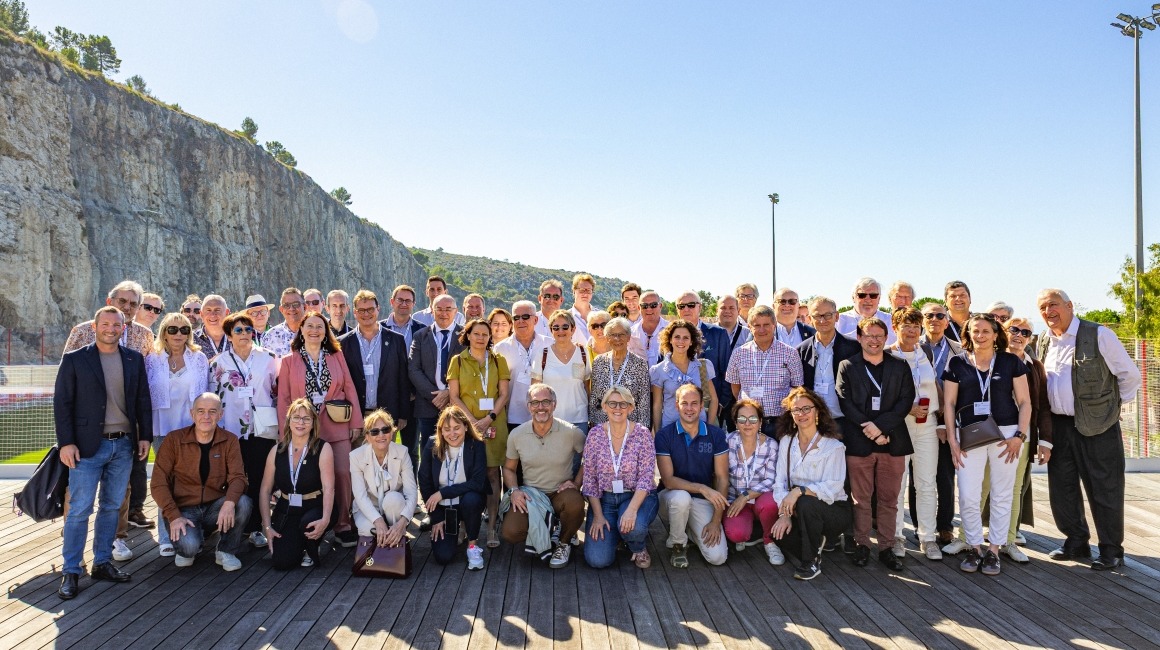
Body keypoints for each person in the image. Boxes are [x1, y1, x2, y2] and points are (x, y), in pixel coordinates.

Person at [1037, 289, 1140, 571]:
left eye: (1054, 305)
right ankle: (1076, 541)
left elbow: (1130, 376)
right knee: (1063, 487)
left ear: (1070, 306)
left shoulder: (1099, 335)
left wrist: (1110, 410)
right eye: (1043, 308)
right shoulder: (1045, 339)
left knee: (1104, 488)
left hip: (1098, 426)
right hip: (1059, 425)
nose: (1048, 312)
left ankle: (1110, 549)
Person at [54, 306, 153, 599]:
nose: (111, 328)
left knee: (111, 506)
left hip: (123, 445)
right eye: (106, 324)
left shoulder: (134, 359)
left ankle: (102, 562)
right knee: (80, 509)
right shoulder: (75, 359)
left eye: (116, 324)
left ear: (124, 328)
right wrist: (66, 443)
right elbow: (62, 404)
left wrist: (144, 435)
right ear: (95, 327)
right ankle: (71, 570)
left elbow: (142, 400)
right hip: (86, 447)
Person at [942, 314, 1031, 576]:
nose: (979, 335)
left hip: (1006, 434)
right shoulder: (957, 363)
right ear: (968, 334)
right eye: (974, 331)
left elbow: (1025, 402)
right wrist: (952, 440)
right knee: (968, 494)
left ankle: (993, 550)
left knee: (1002, 493)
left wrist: (1019, 436)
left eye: (985, 331)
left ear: (995, 334)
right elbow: (948, 404)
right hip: (968, 434)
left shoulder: (1010, 361)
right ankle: (974, 547)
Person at [970, 316, 1054, 564]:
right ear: (1002, 333)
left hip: (1022, 435)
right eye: (1014, 330)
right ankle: (967, 537)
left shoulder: (1035, 366)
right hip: (988, 432)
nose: (1019, 335)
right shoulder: (989, 361)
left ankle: (1007, 540)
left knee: (1013, 489)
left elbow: (1042, 406)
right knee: (981, 486)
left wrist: (1044, 440)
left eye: (1026, 332)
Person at [277, 310, 364, 547]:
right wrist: (285, 432)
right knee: (310, 478)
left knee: (343, 474)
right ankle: (314, 523)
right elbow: (284, 398)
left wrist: (356, 421)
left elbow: (349, 388)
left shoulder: (336, 356)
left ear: (326, 332)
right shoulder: (288, 361)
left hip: (336, 425)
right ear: (301, 331)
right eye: (310, 326)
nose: (315, 331)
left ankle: (343, 525)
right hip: (303, 429)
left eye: (320, 327)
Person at [836, 317, 914, 572]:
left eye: (879, 336)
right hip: (859, 442)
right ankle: (861, 545)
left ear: (886, 337)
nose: (874, 340)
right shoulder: (847, 366)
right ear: (859, 337)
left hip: (893, 441)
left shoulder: (900, 366)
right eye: (869, 335)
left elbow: (905, 401)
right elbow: (846, 403)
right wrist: (871, 429)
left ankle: (887, 548)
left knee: (890, 500)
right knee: (860, 499)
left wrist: (881, 427)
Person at [151, 393, 251, 572]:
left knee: (243, 502)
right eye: (201, 411)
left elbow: (238, 477)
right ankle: (191, 543)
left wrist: (229, 504)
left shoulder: (230, 440)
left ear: (220, 415)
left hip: (214, 507)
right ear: (192, 414)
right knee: (189, 549)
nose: (206, 416)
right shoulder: (174, 440)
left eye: (212, 411)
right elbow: (158, 483)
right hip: (184, 510)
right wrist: (173, 516)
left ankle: (226, 550)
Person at [211, 312, 280, 548]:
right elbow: (212, 397)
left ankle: (256, 527)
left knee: (261, 477)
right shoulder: (218, 363)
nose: (244, 334)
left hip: (262, 428)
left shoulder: (269, 358)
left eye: (248, 329)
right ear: (229, 335)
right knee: (236, 478)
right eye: (238, 330)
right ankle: (234, 526)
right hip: (231, 429)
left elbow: (278, 390)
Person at [145, 312, 210, 555]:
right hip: (162, 428)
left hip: (191, 429)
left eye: (184, 330)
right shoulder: (152, 359)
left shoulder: (198, 358)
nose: (178, 335)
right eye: (172, 330)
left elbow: (206, 393)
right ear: (164, 332)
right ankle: (165, 536)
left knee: (191, 480)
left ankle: (194, 531)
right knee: (165, 481)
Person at [502, 384, 587, 568]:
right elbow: (508, 469)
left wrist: (576, 483)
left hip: (560, 494)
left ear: (554, 405)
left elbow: (590, 459)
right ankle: (552, 532)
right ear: (528, 406)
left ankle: (564, 542)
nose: (540, 407)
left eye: (546, 402)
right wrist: (515, 490)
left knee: (575, 503)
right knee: (510, 531)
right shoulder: (516, 435)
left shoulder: (571, 432)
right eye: (535, 402)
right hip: (531, 496)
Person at [770, 387, 850, 581]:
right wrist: (784, 515)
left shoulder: (833, 446)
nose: (801, 414)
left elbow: (833, 488)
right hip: (798, 510)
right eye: (796, 410)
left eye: (806, 408)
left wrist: (799, 491)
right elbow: (779, 482)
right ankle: (815, 543)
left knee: (806, 502)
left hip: (834, 511)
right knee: (778, 533)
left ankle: (810, 562)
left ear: (817, 411)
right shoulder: (786, 442)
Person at [448, 317, 511, 546]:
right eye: (477, 333)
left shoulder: (498, 360)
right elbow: (454, 396)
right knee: (467, 476)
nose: (481, 338)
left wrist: (488, 418)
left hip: (494, 424)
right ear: (468, 335)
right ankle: (465, 527)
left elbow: (503, 394)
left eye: (485, 334)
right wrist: (472, 421)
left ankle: (492, 529)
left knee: (493, 476)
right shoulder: (458, 361)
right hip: (466, 427)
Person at [887, 307, 942, 561]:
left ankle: (928, 537)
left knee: (926, 484)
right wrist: (905, 408)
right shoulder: (887, 355)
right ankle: (897, 536)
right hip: (900, 425)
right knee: (897, 485)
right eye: (905, 325)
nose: (911, 330)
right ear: (895, 327)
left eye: (915, 325)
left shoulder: (926, 352)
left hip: (927, 424)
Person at [582, 386, 658, 569]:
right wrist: (598, 516)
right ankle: (617, 532)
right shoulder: (595, 435)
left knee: (635, 527)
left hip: (636, 496)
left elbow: (647, 477)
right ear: (604, 407)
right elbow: (589, 479)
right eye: (612, 403)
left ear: (631, 408)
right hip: (605, 500)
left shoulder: (642, 434)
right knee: (597, 560)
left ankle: (638, 546)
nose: (618, 408)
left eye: (623, 404)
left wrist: (632, 510)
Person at [656, 384, 729, 568]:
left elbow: (722, 479)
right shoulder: (664, 435)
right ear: (676, 406)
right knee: (682, 498)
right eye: (684, 403)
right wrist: (702, 488)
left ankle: (689, 527)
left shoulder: (716, 435)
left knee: (717, 557)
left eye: (694, 403)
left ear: (701, 405)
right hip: (671, 498)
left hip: (702, 501)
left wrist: (715, 521)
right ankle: (678, 544)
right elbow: (668, 480)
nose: (689, 408)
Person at [259, 398, 335, 569]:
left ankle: (312, 546)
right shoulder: (276, 450)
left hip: (315, 506)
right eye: (296, 417)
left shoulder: (323, 448)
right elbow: (265, 490)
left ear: (313, 422)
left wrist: (326, 519)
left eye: (306, 418)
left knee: (307, 523)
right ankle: (300, 543)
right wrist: (267, 527)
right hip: (287, 507)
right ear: (288, 421)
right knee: (281, 562)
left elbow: (329, 488)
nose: (301, 422)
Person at [419, 406, 489, 569]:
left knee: (472, 499)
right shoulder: (432, 444)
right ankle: (456, 529)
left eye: (457, 428)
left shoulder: (477, 445)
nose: (453, 433)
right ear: (441, 431)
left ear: (466, 426)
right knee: (443, 556)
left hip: (467, 501)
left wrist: (443, 493)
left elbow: (477, 483)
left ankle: (472, 546)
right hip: (445, 509)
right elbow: (424, 481)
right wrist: (435, 516)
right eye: (447, 429)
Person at [919, 301, 964, 546]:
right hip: (920, 418)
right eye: (929, 315)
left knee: (945, 477)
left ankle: (945, 526)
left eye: (939, 315)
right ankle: (920, 525)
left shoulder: (960, 349)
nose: (934, 319)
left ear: (947, 321)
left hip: (950, 420)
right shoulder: (913, 347)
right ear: (922, 320)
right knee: (920, 477)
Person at [722, 398, 784, 566]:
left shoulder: (771, 445)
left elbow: (772, 480)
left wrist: (745, 496)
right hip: (735, 500)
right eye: (742, 419)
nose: (747, 423)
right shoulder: (727, 442)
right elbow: (720, 475)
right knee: (737, 534)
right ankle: (750, 530)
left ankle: (769, 541)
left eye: (753, 419)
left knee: (771, 502)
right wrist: (738, 499)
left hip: (760, 498)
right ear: (735, 422)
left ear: (761, 422)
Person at [725, 305, 804, 435]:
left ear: (774, 325)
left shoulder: (790, 353)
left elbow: (797, 387)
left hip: (780, 422)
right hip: (748, 422)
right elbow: (735, 386)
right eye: (756, 325)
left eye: (766, 324)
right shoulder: (738, 354)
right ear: (750, 327)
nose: (762, 330)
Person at [340, 289, 411, 431]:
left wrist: (403, 414)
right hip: (356, 415)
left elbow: (402, 379)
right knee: (357, 453)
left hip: (387, 415)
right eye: (361, 310)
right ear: (355, 312)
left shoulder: (396, 340)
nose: (366, 314)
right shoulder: (343, 343)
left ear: (378, 309)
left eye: (371, 309)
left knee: (386, 453)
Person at [350, 410, 417, 553]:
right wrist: (378, 521)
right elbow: (360, 496)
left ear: (392, 433)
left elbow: (411, 492)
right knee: (367, 529)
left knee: (394, 499)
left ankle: (397, 538)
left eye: (385, 430)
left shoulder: (402, 452)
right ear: (367, 436)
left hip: (394, 507)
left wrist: (402, 523)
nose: (381, 435)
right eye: (374, 432)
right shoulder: (356, 456)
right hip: (368, 506)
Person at [409, 294, 466, 455]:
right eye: (439, 309)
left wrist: (449, 392)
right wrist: (435, 396)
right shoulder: (420, 336)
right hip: (427, 405)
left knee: (457, 451)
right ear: (432, 312)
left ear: (455, 312)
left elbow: (469, 370)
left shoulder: (466, 336)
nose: (443, 313)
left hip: (457, 404)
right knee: (429, 452)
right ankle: (428, 481)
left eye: (448, 309)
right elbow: (414, 369)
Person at [674, 291, 732, 429]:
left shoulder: (718, 333)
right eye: (682, 306)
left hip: (710, 407)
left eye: (691, 305)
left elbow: (728, 372)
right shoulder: (670, 335)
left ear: (700, 307)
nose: (686, 309)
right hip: (679, 408)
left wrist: (721, 403)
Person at [798, 296, 860, 421]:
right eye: (817, 316)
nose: (823, 320)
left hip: (845, 420)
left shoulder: (853, 348)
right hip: (813, 421)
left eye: (828, 315)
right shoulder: (801, 350)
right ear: (810, 319)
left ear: (836, 316)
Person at [651, 319, 718, 431]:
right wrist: (658, 435)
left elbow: (714, 399)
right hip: (670, 430)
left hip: (699, 429)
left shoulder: (703, 366)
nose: (681, 341)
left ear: (691, 341)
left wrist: (709, 428)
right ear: (670, 340)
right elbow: (657, 405)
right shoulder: (658, 370)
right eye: (677, 337)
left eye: (686, 338)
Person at [494, 301, 551, 432]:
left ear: (535, 319)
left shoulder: (549, 344)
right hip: (513, 416)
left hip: (545, 415)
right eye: (516, 318)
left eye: (525, 317)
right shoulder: (500, 349)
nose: (521, 321)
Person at [531, 310, 591, 432]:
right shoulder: (543, 354)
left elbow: (587, 387)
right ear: (551, 330)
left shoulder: (583, 353)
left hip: (579, 419)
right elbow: (534, 390)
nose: (561, 331)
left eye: (565, 327)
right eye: (556, 327)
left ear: (573, 329)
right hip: (550, 419)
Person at [588, 317, 651, 428]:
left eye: (621, 334)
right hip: (602, 425)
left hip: (630, 426)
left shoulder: (640, 364)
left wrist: (642, 431)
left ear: (628, 337)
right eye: (612, 335)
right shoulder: (598, 362)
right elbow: (594, 397)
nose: (617, 339)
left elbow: (644, 401)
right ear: (607, 338)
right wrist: (593, 424)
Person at [836, 277, 896, 345]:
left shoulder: (891, 321)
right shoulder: (838, 321)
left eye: (873, 295)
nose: (868, 299)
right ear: (853, 298)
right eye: (862, 295)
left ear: (879, 299)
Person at [628, 290, 668, 366]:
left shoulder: (672, 330)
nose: (649, 309)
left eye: (653, 305)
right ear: (639, 308)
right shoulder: (630, 333)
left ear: (660, 306)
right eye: (644, 306)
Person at [381, 284, 426, 351]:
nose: (404, 304)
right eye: (400, 300)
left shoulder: (422, 330)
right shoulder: (379, 328)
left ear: (413, 304)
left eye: (408, 301)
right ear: (392, 302)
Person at [263, 287, 307, 357]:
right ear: (281, 309)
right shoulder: (271, 336)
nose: (291, 309)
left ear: (305, 307)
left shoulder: (316, 332)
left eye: (296, 304)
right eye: (286, 305)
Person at [193, 294, 231, 360]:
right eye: (208, 310)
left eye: (217, 310)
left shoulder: (238, 337)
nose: (213, 315)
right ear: (201, 314)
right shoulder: (191, 339)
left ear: (227, 313)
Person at [568, 274, 596, 343]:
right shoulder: (566, 317)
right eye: (582, 290)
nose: (585, 294)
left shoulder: (601, 315)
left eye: (588, 290)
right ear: (574, 291)